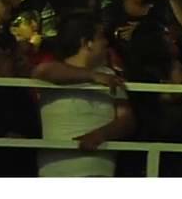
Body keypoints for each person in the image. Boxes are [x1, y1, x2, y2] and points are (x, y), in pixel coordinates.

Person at [34, 13, 135, 177]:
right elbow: (42, 71)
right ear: (86, 43)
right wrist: (93, 76)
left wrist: (100, 135)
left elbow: (127, 119)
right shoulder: (55, 70)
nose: (106, 43)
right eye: (101, 37)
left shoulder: (110, 75)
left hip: (97, 170)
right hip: (55, 172)